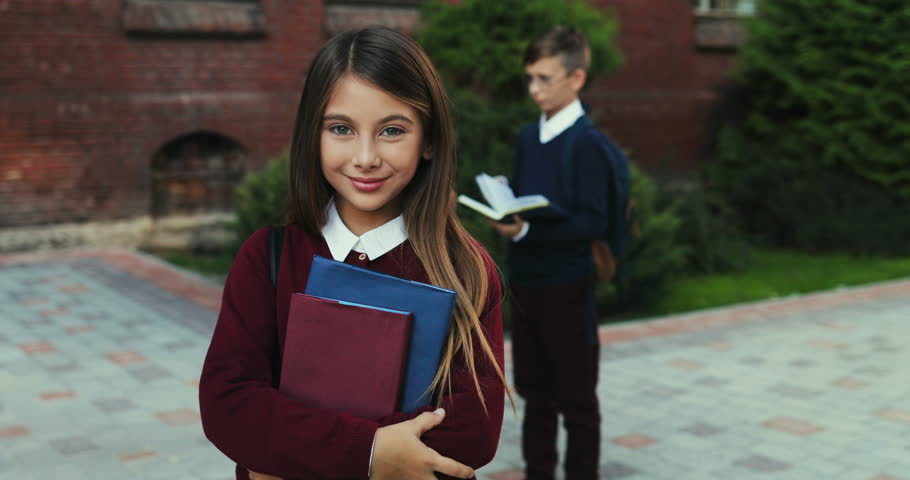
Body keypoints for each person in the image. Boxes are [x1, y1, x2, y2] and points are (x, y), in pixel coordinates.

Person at [199, 26, 510, 480]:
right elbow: (229, 405)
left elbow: (472, 434)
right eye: (341, 129)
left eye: (392, 130)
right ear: (313, 135)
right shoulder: (268, 257)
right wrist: (370, 453)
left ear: (429, 141)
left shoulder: (466, 269)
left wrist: (289, 450)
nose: (365, 157)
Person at [490, 26, 607, 480]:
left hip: (568, 287)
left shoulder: (588, 144)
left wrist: (525, 232)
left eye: (544, 79)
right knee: (534, 393)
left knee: (576, 400)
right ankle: (539, 472)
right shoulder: (527, 137)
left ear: (576, 79)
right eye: (530, 79)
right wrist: (509, 216)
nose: (534, 90)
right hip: (527, 285)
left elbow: (592, 223)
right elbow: (524, 200)